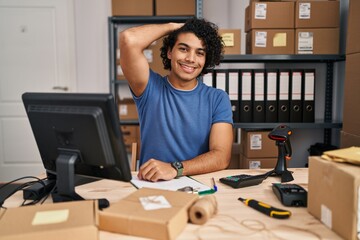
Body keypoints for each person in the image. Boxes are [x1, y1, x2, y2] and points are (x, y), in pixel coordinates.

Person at [119, 17, 233, 182]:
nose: (191, 59)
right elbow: (128, 39)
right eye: (184, 49)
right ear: (169, 52)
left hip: (197, 186)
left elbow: (221, 156)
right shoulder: (149, 87)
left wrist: (175, 169)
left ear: (205, 60)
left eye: (199, 53)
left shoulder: (217, 98)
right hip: (153, 186)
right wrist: (174, 27)